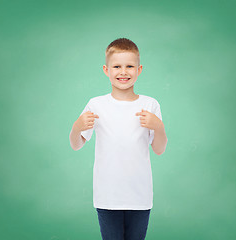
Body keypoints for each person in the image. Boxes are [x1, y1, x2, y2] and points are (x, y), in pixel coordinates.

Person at [69, 38, 168, 240]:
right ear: (106, 70)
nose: (123, 72)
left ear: (139, 69)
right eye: (117, 66)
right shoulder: (96, 104)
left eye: (129, 66)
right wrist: (76, 126)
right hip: (107, 196)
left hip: (140, 196)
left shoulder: (150, 104)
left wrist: (159, 127)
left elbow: (159, 149)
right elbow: (76, 144)